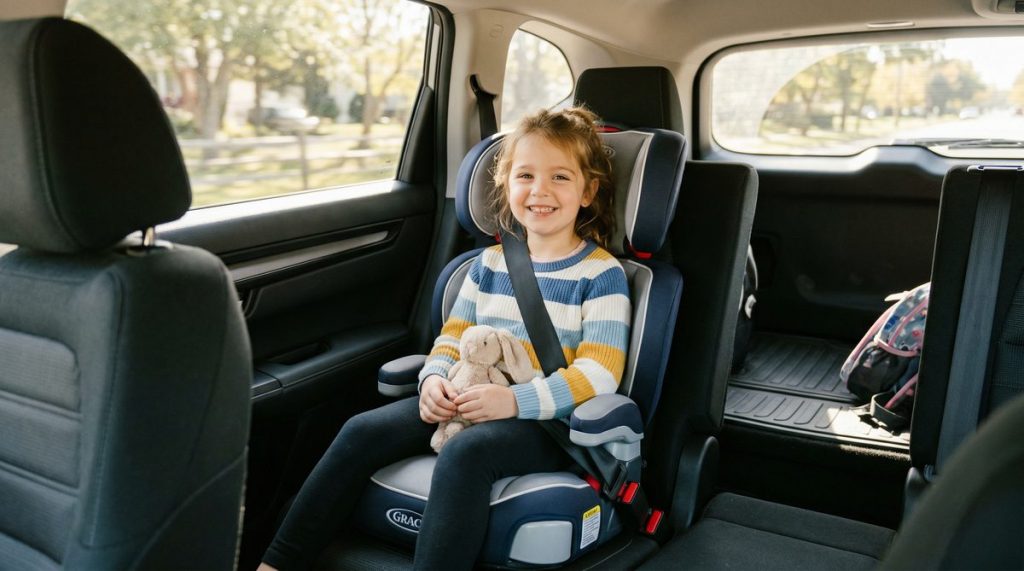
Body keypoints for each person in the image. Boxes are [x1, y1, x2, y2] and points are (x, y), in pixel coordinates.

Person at [259, 107, 631, 570]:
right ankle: (278, 562)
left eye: (560, 177)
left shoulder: (601, 274)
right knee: (361, 429)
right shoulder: (489, 264)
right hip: (467, 399)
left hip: (546, 422)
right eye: (525, 175)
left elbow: (599, 374)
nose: (540, 191)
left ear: (588, 191)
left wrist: (514, 402)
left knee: (467, 451)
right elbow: (452, 340)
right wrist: (434, 382)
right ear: (505, 184)